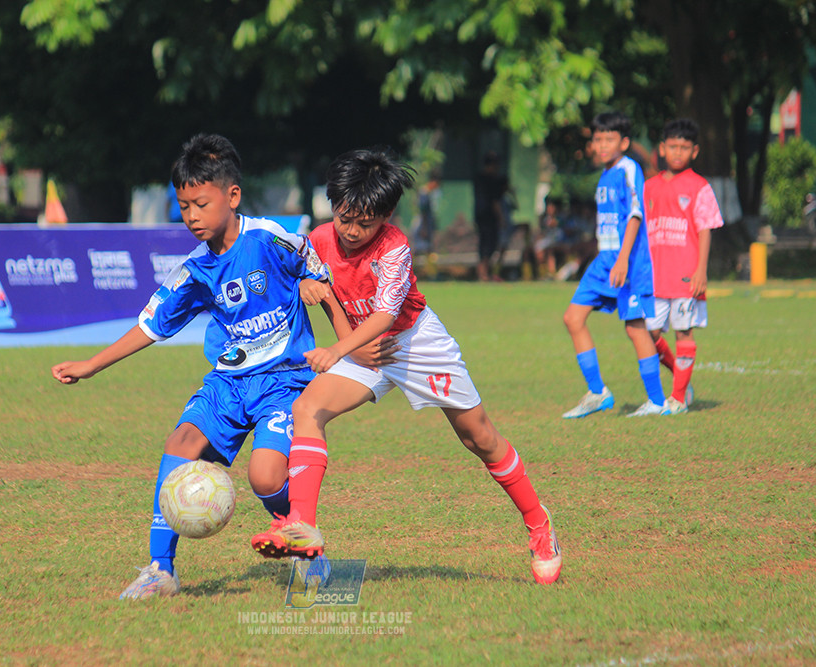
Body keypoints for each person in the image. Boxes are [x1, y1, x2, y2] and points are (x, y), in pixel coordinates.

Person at [250, 147, 563, 585]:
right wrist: (314, 291)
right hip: (361, 349)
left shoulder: (395, 247)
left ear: (388, 215)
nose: (353, 230)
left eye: (366, 222)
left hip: (413, 342)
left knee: (480, 438)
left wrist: (339, 351)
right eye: (345, 218)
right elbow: (322, 289)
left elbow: (384, 316)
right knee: (308, 410)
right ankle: (302, 530)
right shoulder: (317, 239)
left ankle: (539, 525)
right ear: (332, 204)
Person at [51, 134, 337, 600]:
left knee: (265, 477)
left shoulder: (268, 238)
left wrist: (331, 323)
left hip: (284, 381)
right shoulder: (195, 270)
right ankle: (160, 570)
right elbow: (150, 325)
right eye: (183, 207)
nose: (191, 216)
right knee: (180, 443)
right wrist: (92, 365)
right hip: (228, 382)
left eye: (201, 204)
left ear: (232, 196)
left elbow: (316, 271)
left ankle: (307, 546)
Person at [561, 111, 666, 418]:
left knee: (636, 330)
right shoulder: (604, 175)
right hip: (603, 262)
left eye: (610, 139)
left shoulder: (628, 169)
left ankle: (659, 402)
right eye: (598, 139)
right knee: (572, 318)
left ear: (624, 142)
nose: (603, 145)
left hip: (628, 263)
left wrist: (622, 259)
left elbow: (635, 214)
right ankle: (598, 393)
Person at [644, 118, 724, 415]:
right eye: (673, 146)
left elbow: (705, 229)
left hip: (685, 276)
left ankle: (677, 398)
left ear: (695, 151)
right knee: (647, 334)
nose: (678, 152)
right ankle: (681, 380)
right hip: (654, 277)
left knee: (683, 333)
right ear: (662, 149)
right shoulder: (649, 187)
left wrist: (701, 270)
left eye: (684, 147)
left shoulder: (699, 187)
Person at [472, 150, 509, 282]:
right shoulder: (491, 181)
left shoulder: (478, 179)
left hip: (480, 216)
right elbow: (495, 202)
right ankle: (484, 273)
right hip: (489, 217)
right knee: (489, 245)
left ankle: (483, 273)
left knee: (484, 244)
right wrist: (501, 218)